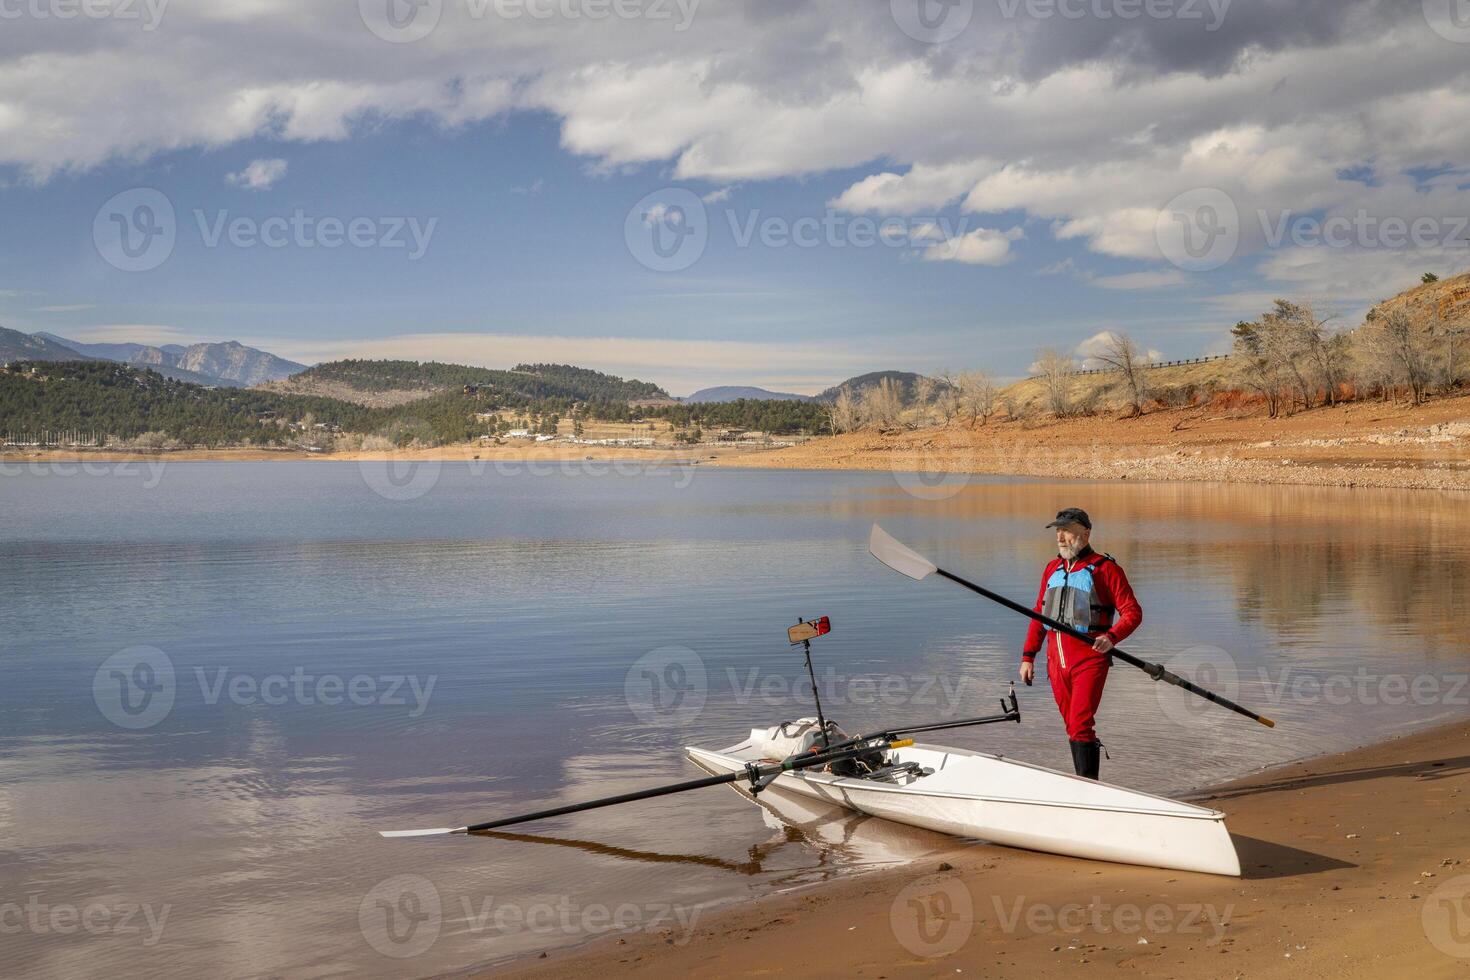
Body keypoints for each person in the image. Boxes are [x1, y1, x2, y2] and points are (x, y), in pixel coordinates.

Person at [1018, 508, 1141, 780]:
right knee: (1072, 727)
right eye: (1058, 530)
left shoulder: (1106, 569)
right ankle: (1084, 783)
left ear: (1085, 534)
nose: (1061, 537)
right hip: (1055, 662)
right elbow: (1038, 615)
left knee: (1080, 724)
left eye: (1068, 530)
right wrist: (1028, 656)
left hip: (1089, 660)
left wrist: (1111, 637)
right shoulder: (1052, 568)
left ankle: (1089, 788)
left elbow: (1132, 612)